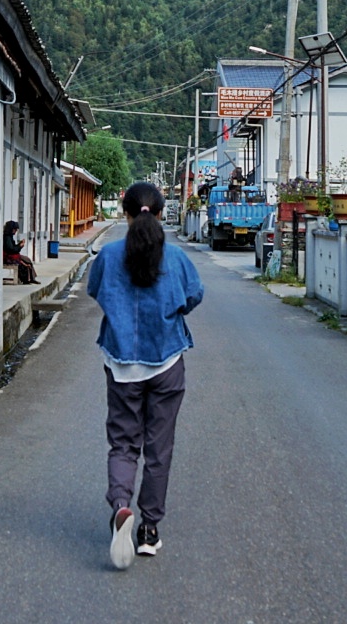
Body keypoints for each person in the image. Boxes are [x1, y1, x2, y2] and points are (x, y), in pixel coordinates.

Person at [86, 181, 203, 569]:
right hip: (166, 362)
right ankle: (149, 529)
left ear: (126, 212)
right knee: (159, 448)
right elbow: (193, 297)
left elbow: (97, 292)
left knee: (123, 443)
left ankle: (121, 505)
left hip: (122, 366)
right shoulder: (178, 259)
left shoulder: (108, 255)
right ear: (162, 210)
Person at [3, 220, 37, 284]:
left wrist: (19, 245)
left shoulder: (10, 237)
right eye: (15, 230)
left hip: (13, 254)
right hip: (9, 256)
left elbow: (13, 247)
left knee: (27, 259)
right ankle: (28, 279)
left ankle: (32, 278)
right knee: (26, 261)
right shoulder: (7, 238)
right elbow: (11, 249)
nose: (15, 231)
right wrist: (20, 246)